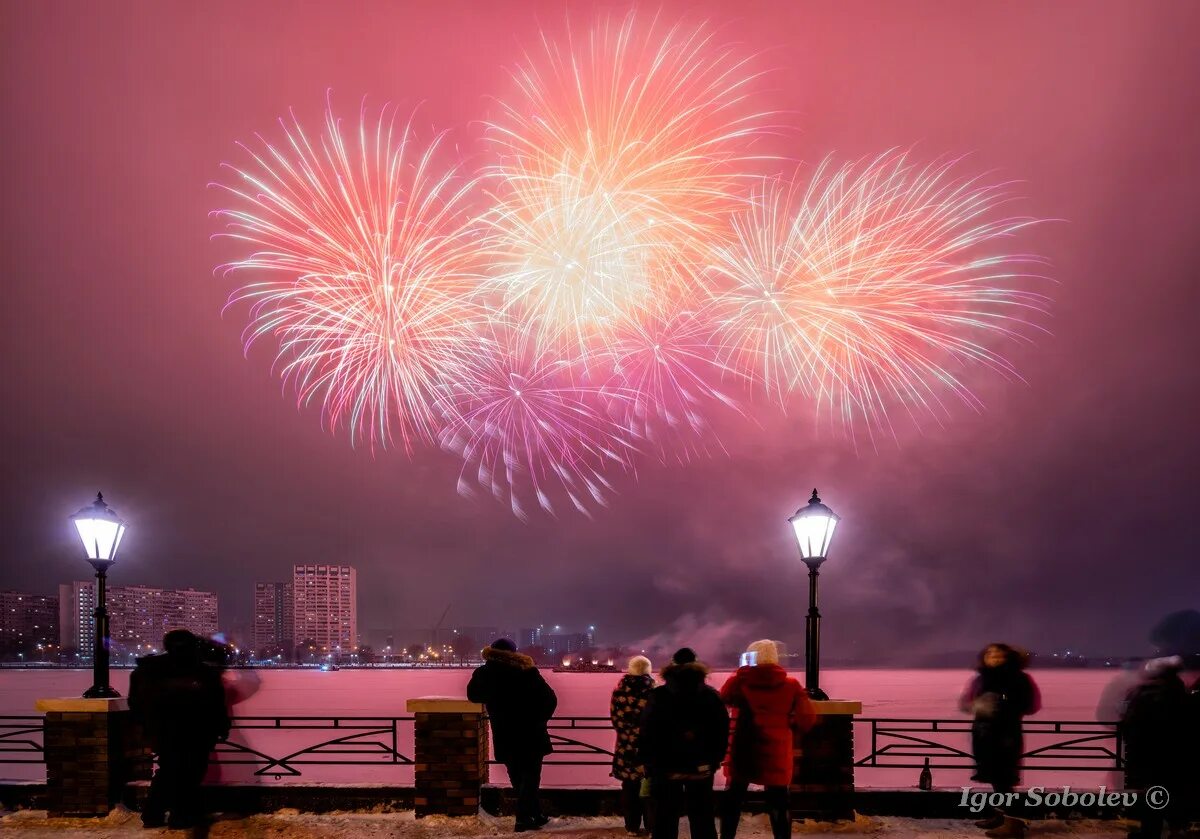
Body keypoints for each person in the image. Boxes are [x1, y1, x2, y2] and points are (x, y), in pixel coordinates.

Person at [128, 629, 230, 829]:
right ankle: (179, 815)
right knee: (189, 774)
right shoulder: (204, 673)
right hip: (196, 732)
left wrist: (147, 725)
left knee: (170, 771)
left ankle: (155, 813)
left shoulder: (147, 671)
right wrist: (221, 726)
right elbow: (216, 704)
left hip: (164, 732)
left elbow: (137, 703)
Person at [718, 640, 816, 839]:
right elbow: (807, 718)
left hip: (744, 748)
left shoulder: (738, 681)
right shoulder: (791, 685)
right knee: (779, 801)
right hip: (777, 751)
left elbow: (722, 701)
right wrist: (788, 726)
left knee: (733, 798)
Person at [467, 638, 558, 832]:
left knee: (518, 777)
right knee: (531, 777)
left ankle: (535, 815)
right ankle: (524, 818)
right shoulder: (527, 671)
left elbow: (473, 695)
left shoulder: (484, 673)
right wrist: (539, 719)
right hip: (531, 733)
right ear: (514, 652)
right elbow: (550, 699)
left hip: (504, 733)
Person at [639, 648, 730, 839]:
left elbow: (647, 731)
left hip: (665, 765)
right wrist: (715, 760)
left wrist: (649, 762)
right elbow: (721, 731)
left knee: (665, 817)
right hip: (701, 765)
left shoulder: (659, 696)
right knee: (702, 816)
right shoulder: (710, 696)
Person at [958, 643, 1041, 839]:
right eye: (989, 654)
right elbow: (965, 702)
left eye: (999, 654)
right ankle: (999, 817)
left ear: (1008, 657)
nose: (993, 657)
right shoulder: (980, 678)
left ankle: (1014, 823)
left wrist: (1001, 703)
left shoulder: (1019, 678)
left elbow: (1031, 705)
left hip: (1006, 733)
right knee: (994, 778)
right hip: (983, 733)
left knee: (1004, 779)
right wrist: (976, 705)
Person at [1121, 656, 1188, 839]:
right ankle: (1176, 828)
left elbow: (1127, 722)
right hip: (1174, 754)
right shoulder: (1180, 693)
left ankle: (1150, 831)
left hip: (1144, 754)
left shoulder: (1139, 693)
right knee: (1173, 793)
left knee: (1151, 796)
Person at [611, 655, 657, 835]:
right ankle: (652, 825)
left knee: (629, 787)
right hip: (648, 747)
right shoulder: (654, 692)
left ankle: (631, 826)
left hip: (625, 747)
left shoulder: (620, 692)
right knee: (649, 788)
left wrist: (628, 734)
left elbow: (616, 720)